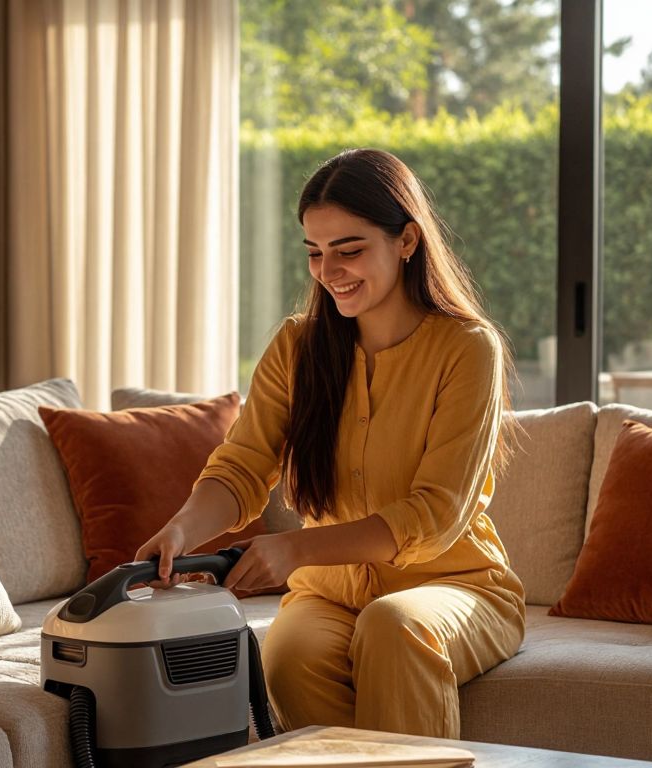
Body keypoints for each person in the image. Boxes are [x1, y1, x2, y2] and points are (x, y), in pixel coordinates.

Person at [135, 148, 525, 739]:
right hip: (328, 596)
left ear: (407, 241)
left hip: (456, 588)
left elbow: (436, 514)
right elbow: (241, 469)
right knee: (287, 654)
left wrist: (295, 550)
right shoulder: (296, 347)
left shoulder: (469, 349)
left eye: (349, 249)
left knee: (394, 626)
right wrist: (182, 530)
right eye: (315, 252)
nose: (329, 269)